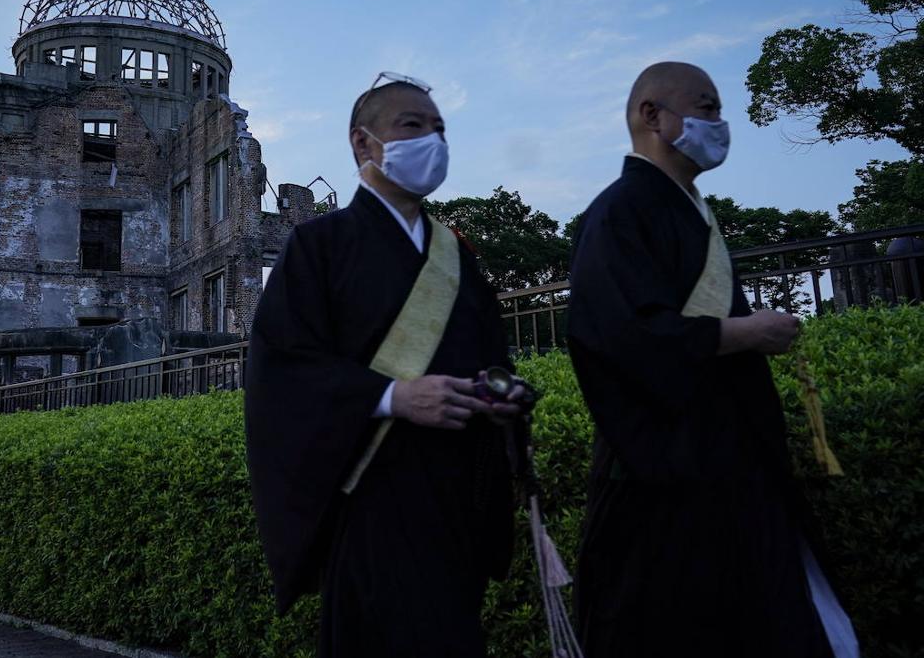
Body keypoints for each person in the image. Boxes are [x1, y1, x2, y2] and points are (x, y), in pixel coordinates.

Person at [567, 62, 859, 657]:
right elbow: (621, 340)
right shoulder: (620, 211)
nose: (719, 124)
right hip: (666, 475)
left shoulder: (689, 209)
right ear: (653, 115)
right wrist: (745, 333)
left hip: (732, 462)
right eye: (706, 107)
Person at [244, 74, 525, 657]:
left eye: (439, 129)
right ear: (363, 144)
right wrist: (394, 398)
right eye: (412, 126)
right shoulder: (318, 246)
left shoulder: (457, 255)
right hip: (372, 500)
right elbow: (282, 372)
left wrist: (502, 397)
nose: (432, 141)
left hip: (457, 501)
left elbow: (490, 356)